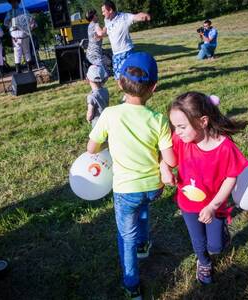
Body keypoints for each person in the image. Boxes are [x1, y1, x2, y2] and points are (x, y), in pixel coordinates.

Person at [87, 52, 176, 299]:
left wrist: (108, 143)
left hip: (126, 190)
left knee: (125, 236)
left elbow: (91, 149)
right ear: (154, 87)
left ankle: (131, 285)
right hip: (153, 187)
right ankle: (144, 245)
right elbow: (171, 160)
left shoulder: (109, 115)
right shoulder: (158, 119)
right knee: (144, 209)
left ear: (118, 83)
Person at [160, 92, 248, 285]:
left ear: (203, 122)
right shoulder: (180, 141)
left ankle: (220, 237)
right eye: (174, 127)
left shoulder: (225, 147)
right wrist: (164, 169)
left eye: (181, 127)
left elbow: (231, 178)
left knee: (216, 246)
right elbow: (165, 157)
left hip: (215, 206)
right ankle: (204, 262)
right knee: (198, 241)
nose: (176, 132)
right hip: (188, 204)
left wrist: (213, 206)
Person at [97, 1, 151, 80]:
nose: (103, 14)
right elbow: (107, 30)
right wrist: (101, 33)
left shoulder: (124, 17)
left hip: (127, 52)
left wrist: (144, 16)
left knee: (131, 77)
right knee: (119, 78)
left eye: (104, 11)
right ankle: (129, 90)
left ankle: (140, 88)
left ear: (110, 10)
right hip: (116, 55)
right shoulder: (107, 20)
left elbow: (135, 16)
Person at [4, 0, 37, 73]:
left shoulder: (24, 10)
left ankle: (29, 69)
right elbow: (5, 24)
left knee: (27, 52)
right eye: (12, 2)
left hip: (24, 34)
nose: (13, 3)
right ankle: (18, 71)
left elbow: (31, 21)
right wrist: (8, 20)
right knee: (17, 53)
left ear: (18, 2)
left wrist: (32, 24)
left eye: (14, 1)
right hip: (15, 36)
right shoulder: (9, 13)